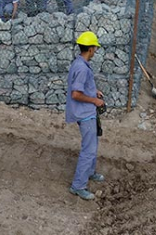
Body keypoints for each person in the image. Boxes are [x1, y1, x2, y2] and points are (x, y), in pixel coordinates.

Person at [66, 31, 105, 201]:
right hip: (85, 113)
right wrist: (94, 101)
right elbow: (76, 94)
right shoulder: (82, 68)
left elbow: (81, 87)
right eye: (94, 48)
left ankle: (90, 172)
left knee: (93, 143)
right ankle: (78, 186)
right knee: (88, 150)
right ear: (89, 49)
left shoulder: (79, 63)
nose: (95, 50)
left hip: (87, 111)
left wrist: (93, 91)